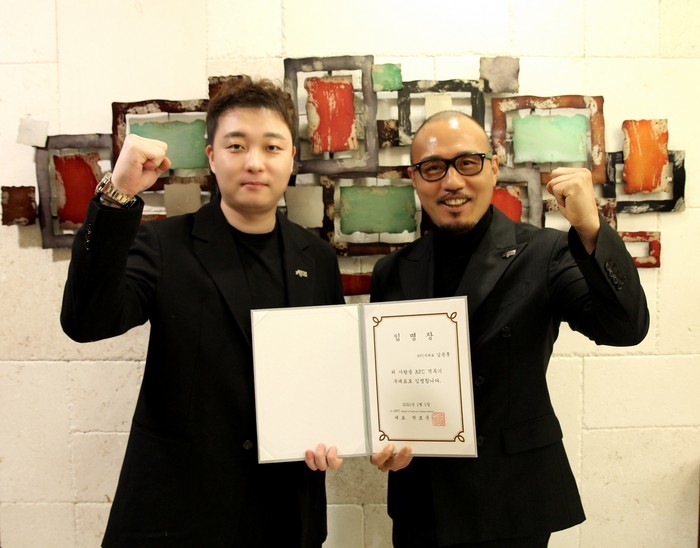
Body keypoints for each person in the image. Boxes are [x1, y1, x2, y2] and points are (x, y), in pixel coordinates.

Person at [61, 76, 345, 547]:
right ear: (212, 157)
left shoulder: (315, 258)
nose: (254, 162)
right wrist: (117, 193)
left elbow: (330, 375)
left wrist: (335, 432)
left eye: (272, 147)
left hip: (285, 512)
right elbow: (85, 322)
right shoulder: (164, 245)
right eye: (236, 146)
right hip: (179, 513)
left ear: (291, 158)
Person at [369, 111, 649, 547]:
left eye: (467, 163)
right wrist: (382, 437)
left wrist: (590, 228)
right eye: (433, 167)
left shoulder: (545, 252)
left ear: (494, 167)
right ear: (415, 178)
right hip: (423, 496)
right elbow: (384, 385)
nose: (452, 182)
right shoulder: (392, 270)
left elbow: (625, 328)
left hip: (513, 495)